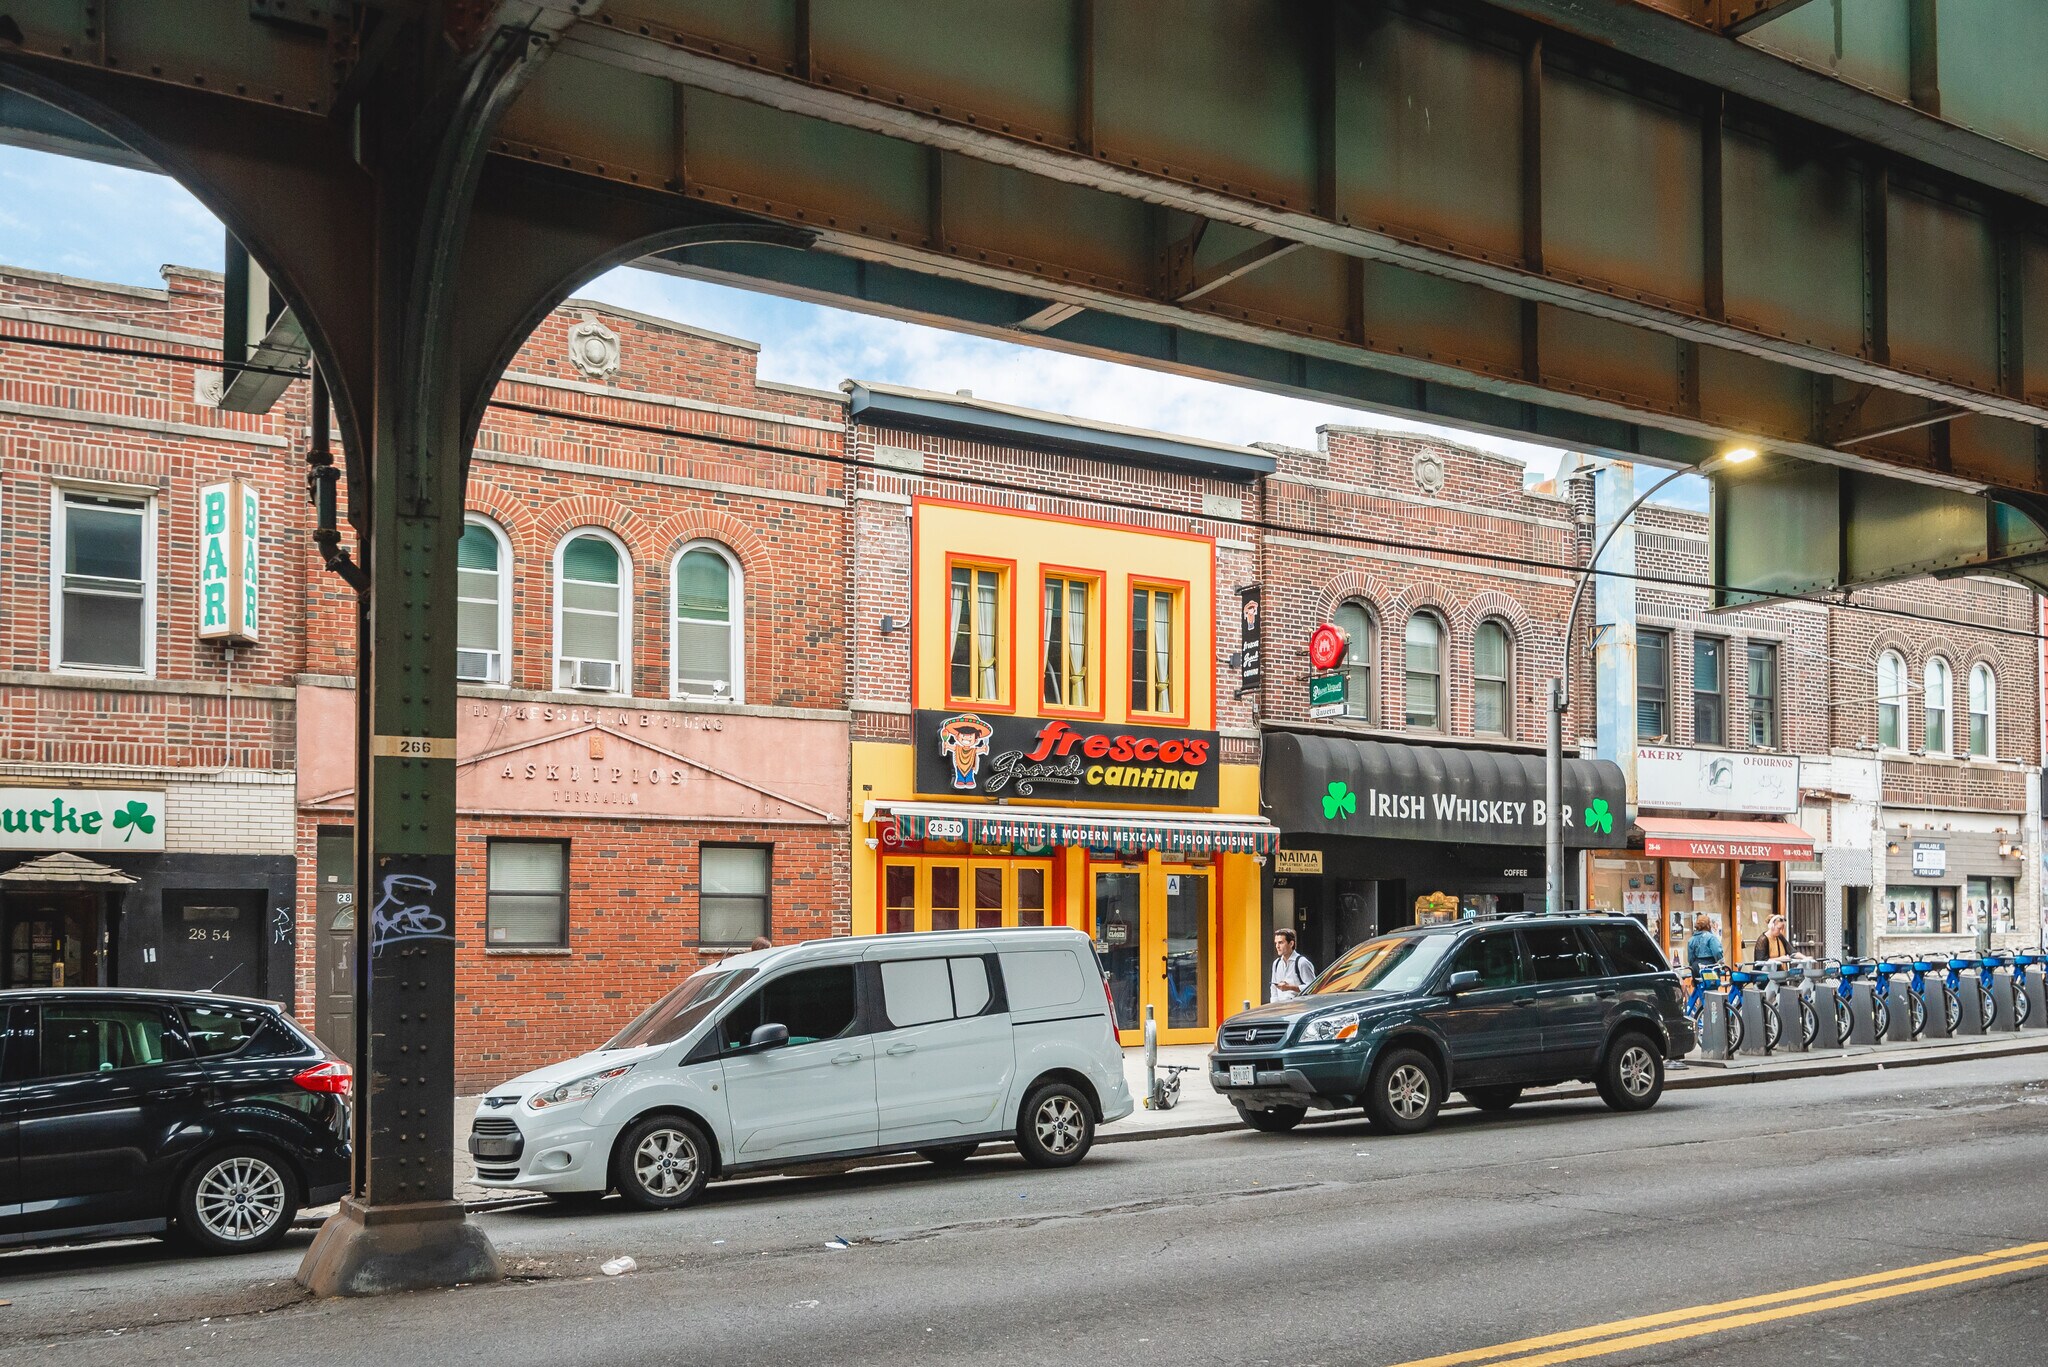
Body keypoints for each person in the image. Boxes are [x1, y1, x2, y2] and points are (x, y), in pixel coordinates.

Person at [1269, 929, 1314, 1003]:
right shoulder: (1276, 963)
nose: (1277, 946)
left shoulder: (1302, 962)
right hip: (1281, 1008)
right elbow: (1274, 989)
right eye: (1276, 943)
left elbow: (1313, 987)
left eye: (1280, 943)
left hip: (1298, 1007)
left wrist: (1290, 987)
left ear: (1291, 944)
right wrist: (1274, 1007)